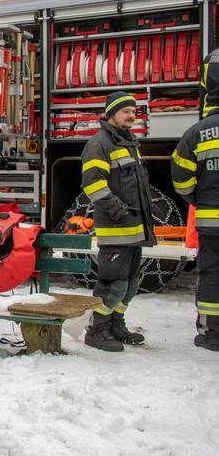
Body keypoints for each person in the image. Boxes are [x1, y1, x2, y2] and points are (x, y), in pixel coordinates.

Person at [80, 91, 156, 352]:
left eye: (133, 111)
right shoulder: (99, 144)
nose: (131, 115)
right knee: (113, 284)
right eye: (126, 111)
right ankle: (96, 330)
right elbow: (93, 185)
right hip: (116, 228)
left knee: (131, 284)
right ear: (111, 113)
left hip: (134, 229)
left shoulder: (128, 143)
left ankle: (115, 324)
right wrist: (120, 212)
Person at [172, 51, 219, 352]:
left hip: (211, 222)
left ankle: (212, 332)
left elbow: (181, 180)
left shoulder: (196, 133)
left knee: (212, 274)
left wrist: (198, 199)